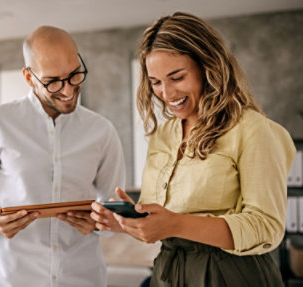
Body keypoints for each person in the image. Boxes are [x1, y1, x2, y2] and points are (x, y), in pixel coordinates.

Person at [91, 12, 296, 286]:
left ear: (208, 67)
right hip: (168, 271)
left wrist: (176, 224)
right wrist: (127, 222)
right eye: (156, 82)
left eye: (177, 77)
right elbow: (162, 219)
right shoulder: (163, 134)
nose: (166, 93)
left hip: (232, 274)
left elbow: (266, 227)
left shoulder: (252, 130)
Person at [0, 26, 125, 287]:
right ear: (29, 77)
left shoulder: (102, 131)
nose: (68, 91)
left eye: (74, 75)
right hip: (15, 278)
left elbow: (115, 209)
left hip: (83, 277)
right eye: (53, 81)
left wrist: (100, 223)